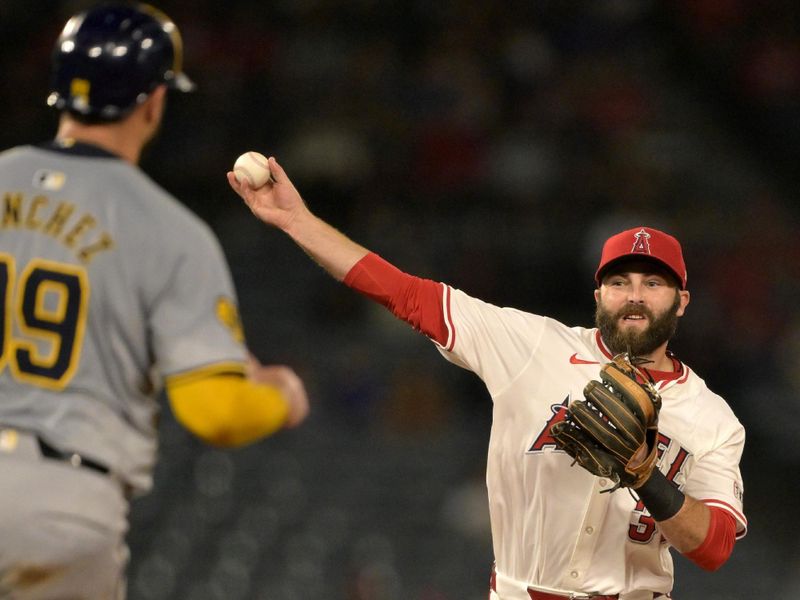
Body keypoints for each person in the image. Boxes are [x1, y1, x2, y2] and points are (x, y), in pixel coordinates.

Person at [227, 157, 747, 600]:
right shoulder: (532, 344)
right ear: (597, 296)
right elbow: (407, 295)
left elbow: (716, 547)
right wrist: (298, 221)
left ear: (681, 301)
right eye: (619, 281)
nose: (634, 295)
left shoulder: (711, 418)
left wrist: (644, 475)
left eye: (653, 283)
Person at [0, 4, 309, 599]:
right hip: (58, 505)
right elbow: (215, 410)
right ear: (153, 102)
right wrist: (282, 395)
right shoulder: (170, 231)